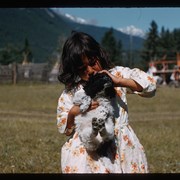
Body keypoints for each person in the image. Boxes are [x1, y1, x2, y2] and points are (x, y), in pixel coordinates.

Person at [56, 31, 156, 173]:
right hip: (88, 150)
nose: (90, 70)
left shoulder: (117, 74)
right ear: (74, 70)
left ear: (99, 55)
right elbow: (65, 129)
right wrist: (74, 112)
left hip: (121, 145)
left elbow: (150, 86)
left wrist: (118, 82)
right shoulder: (72, 91)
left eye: (92, 63)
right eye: (82, 69)